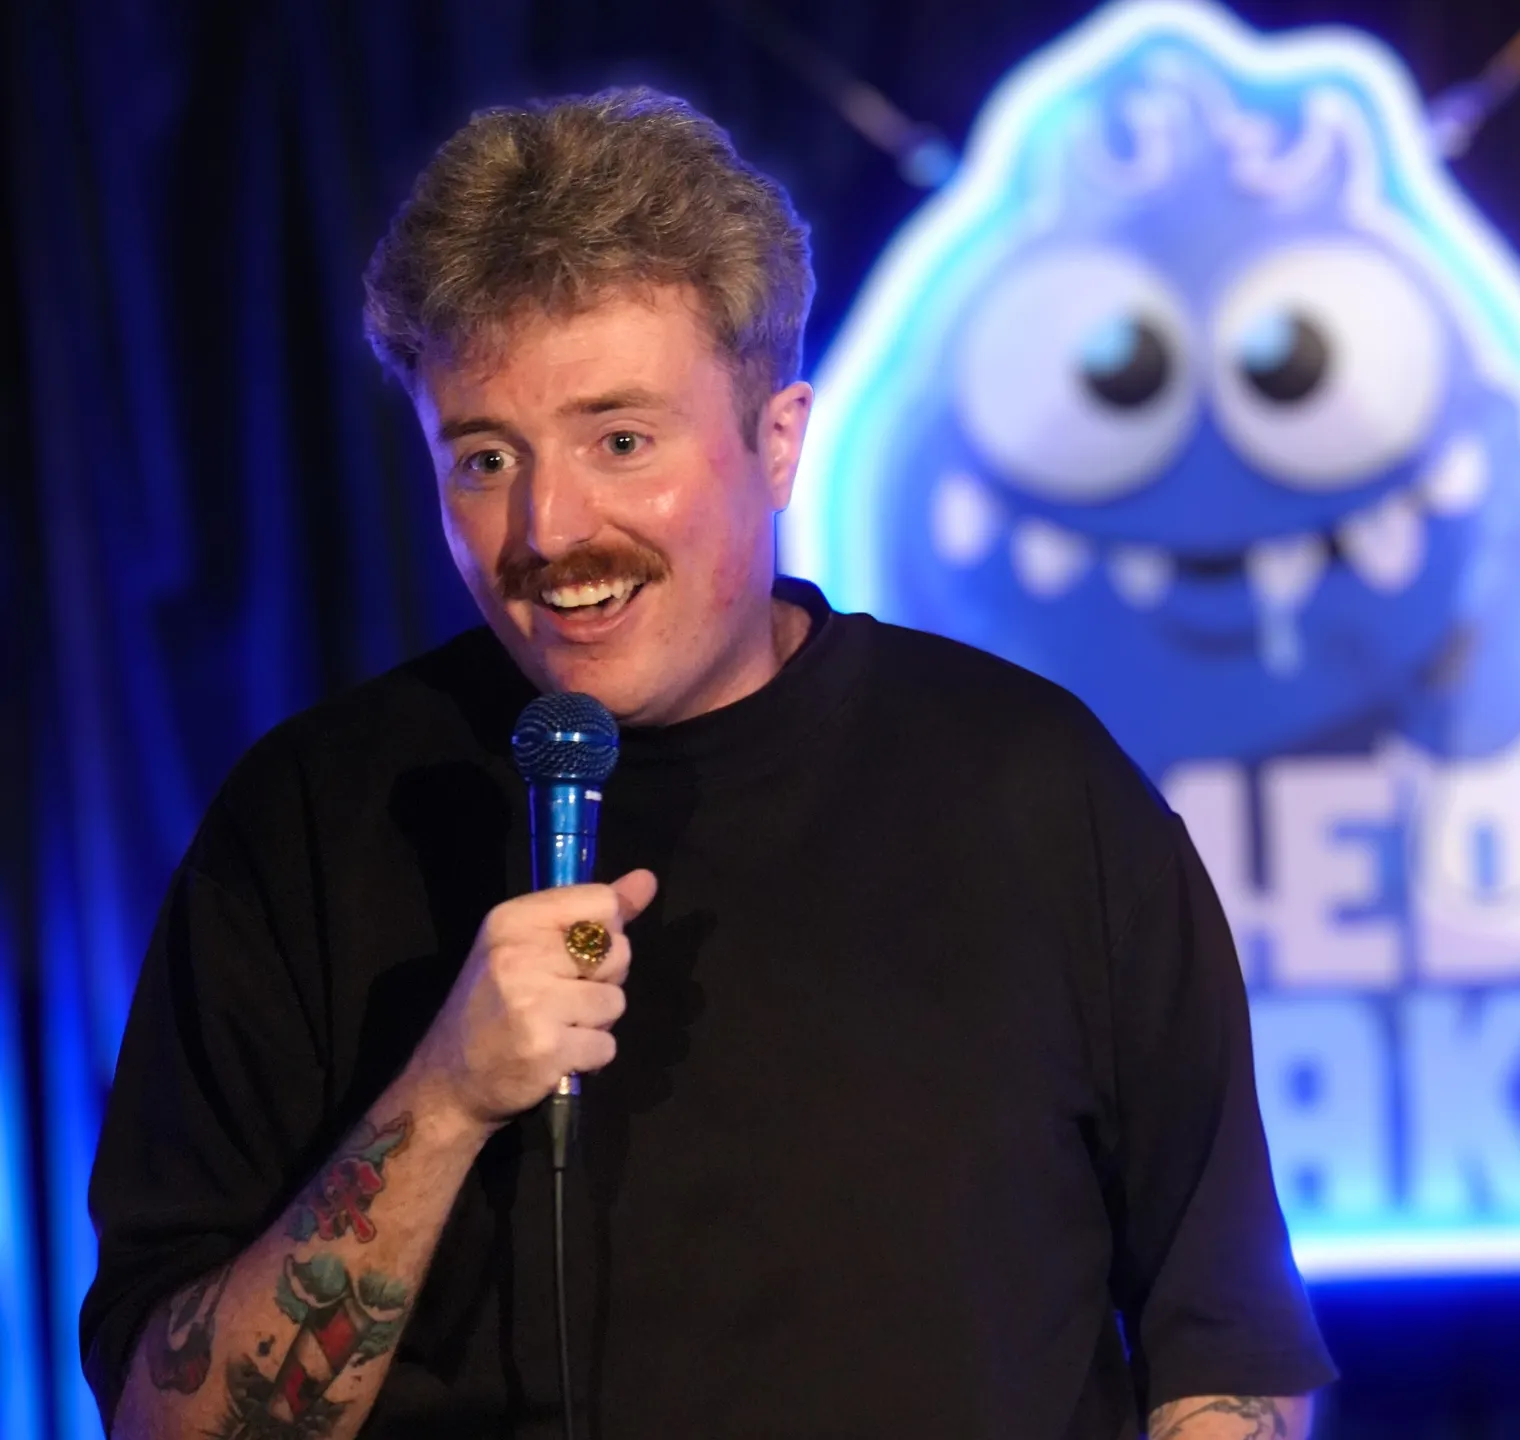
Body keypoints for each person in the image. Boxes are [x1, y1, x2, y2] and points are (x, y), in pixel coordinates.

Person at [80, 89, 1336, 1440]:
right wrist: (444, 1097)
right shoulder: (311, 825)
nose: (548, 528)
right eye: (486, 457)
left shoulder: (1036, 785)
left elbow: (1228, 1346)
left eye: (621, 440)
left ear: (777, 440)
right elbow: (174, 1421)